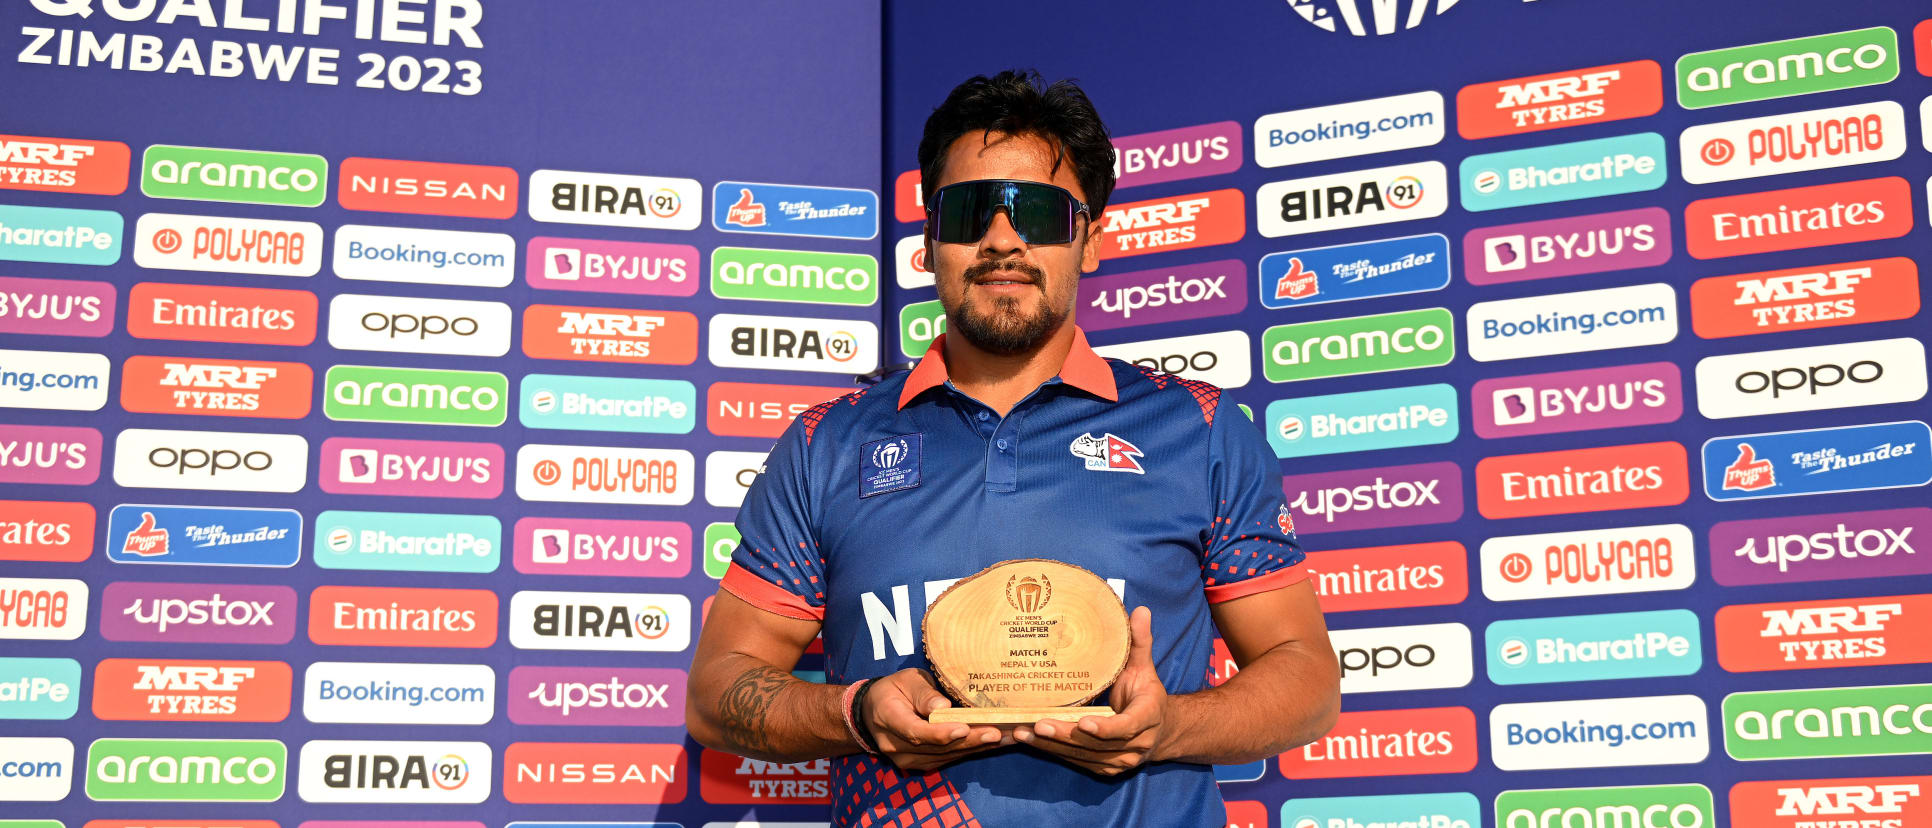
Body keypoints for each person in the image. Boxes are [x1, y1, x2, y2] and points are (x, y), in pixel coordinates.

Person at [687, 69, 1339, 827]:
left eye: (1039, 211)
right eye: (969, 211)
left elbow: (1306, 677)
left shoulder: (1196, 429)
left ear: (1089, 239)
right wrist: (857, 714)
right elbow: (717, 690)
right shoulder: (825, 444)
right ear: (929, 242)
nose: (1003, 238)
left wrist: (1169, 729)